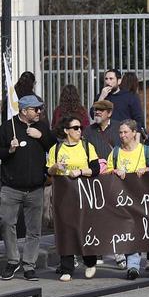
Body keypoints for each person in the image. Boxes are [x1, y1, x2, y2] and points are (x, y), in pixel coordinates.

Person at [0, 94, 56, 281]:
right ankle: (13, 260)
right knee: (6, 222)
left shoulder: (41, 126)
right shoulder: (7, 127)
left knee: (34, 229)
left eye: (40, 109)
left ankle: (29, 264)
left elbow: (54, 146)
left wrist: (41, 135)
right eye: (35, 109)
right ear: (24, 111)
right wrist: (9, 150)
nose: (39, 112)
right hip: (11, 187)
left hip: (35, 187)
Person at [46, 116, 101, 280]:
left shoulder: (86, 146)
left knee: (84, 228)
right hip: (63, 195)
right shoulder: (55, 149)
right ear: (66, 131)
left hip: (84, 193)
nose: (79, 131)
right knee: (65, 230)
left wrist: (81, 172)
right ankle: (66, 268)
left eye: (80, 128)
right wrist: (55, 167)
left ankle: (90, 261)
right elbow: (49, 172)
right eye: (75, 128)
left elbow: (96, 169)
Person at [106, 120, 149, 279]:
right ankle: (132, 264)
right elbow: (105, 174)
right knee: (127, 231)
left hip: (142, 200)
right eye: (120, 132)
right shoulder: (115, 152)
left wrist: (148, 169)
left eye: (125, 132)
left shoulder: (146, 151)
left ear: (134, 133)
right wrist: (114, 171)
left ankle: (133, 264)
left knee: (136, 231)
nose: (122, 135)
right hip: (122, 201)